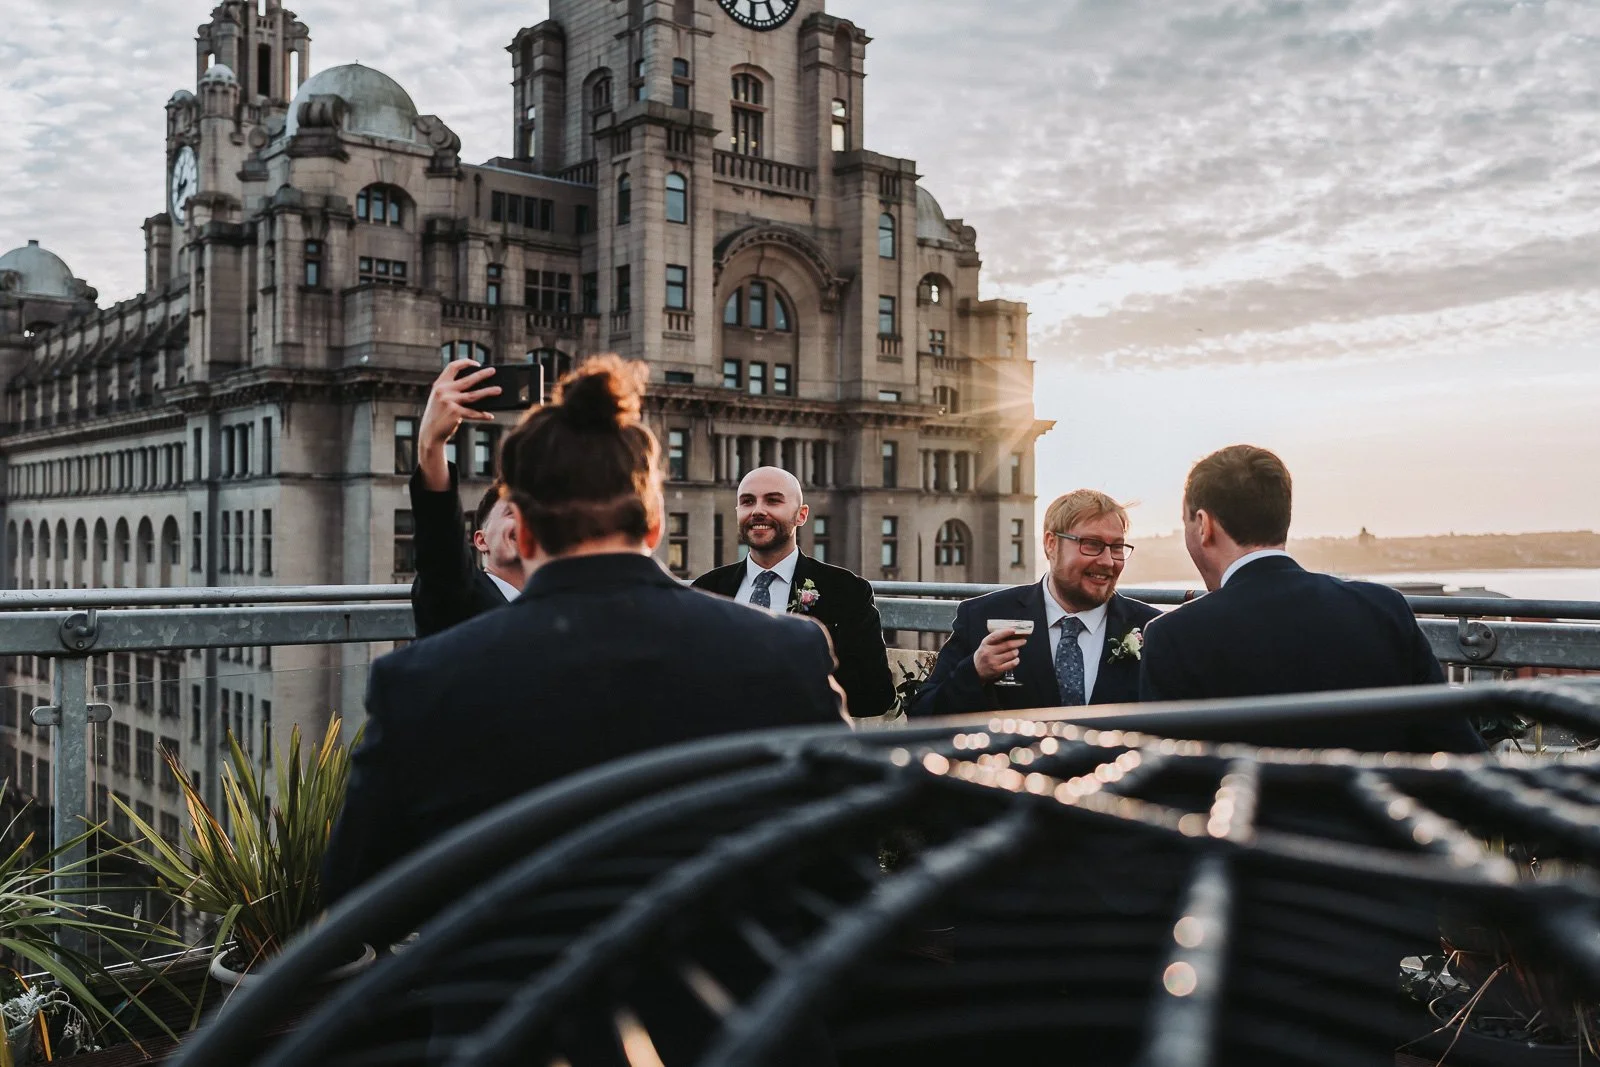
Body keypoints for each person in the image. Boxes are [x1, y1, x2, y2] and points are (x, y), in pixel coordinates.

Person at [324, 357, 846, 903]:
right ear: (654, 526)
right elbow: (842, 861)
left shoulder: (418, 681)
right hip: (720, 952)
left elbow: (351, 898)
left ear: (524, 536)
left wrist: (431, 446)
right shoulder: (787, 649)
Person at [1138, 444, 1483, 753]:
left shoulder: (1174, 636)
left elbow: (1167, 778)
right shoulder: (1383, 608)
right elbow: (1458, 752)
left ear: (1203, 525)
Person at [910, 490, 1160, 717]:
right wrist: (974, 672)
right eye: (1092, 545)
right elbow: (922, 714)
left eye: (1117, 547)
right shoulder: (982, 616)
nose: (1108, 561)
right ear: (1051, 544)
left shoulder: (1153, 630)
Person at [692, 466, 896, 719]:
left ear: (801, 515)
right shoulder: (706, 589)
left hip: (803, 737)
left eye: (773, 500)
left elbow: (875, 695)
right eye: (747, 501)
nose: (757, 510)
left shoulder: (846, 591)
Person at [408, 359, 524, 638]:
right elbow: (440, 548)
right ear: (481, 541)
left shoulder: (563, 607)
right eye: (512, 512)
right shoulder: (462, 596)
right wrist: (432, 445)